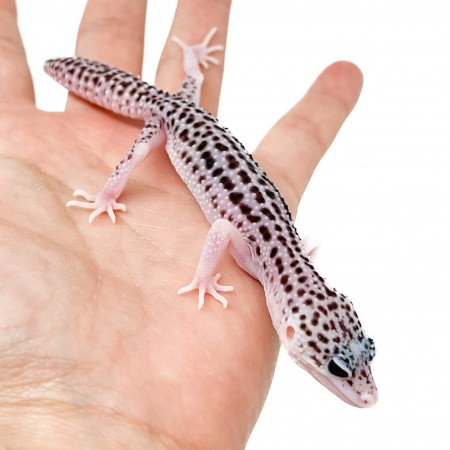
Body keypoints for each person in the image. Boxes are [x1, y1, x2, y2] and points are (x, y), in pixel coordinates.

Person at [0, 0, 363, 447]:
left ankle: (192, 64)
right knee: (136, 154)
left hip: (188, 113)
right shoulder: (264, 261)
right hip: (170, 120)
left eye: (348, 365)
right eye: (339, 371)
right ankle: (106, 192)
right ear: (289, 329)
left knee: (187, 92)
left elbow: (263, 237)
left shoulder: (282, 264)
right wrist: (202, 278)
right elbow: (222, 231)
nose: (358, 387)